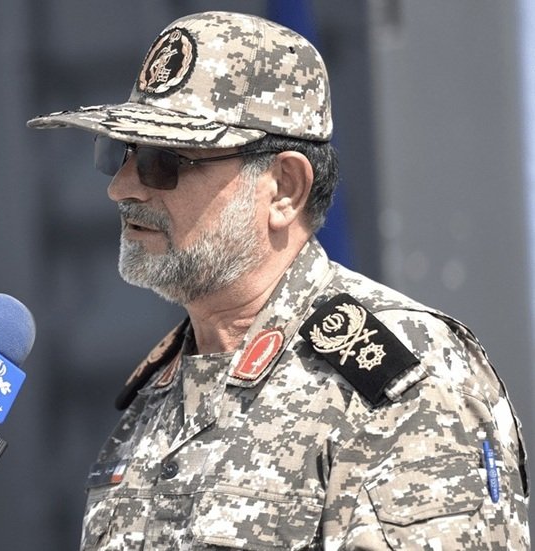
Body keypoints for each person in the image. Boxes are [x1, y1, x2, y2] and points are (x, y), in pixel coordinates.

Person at [27, 10, 529, 550]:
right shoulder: (156, 396)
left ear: (284, 188)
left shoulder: (403, 380)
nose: (121, 187)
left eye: (161, 161)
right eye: (119, 154)